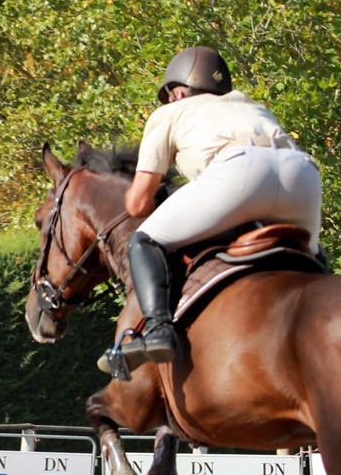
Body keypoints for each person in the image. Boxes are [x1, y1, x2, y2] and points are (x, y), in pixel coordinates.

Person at [113, 45, 322, 370]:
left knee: (144, 239)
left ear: (178, 92)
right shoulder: (251, 106)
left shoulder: (170, 112)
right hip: (301, 174)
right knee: (311, 256)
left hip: (239, 171)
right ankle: (322, 319)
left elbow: (139, 202)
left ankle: (158, 330)